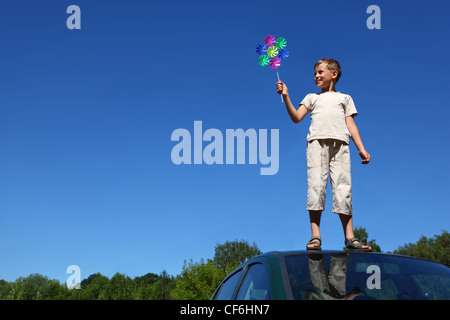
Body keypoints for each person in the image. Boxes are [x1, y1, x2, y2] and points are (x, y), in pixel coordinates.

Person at [276, 58, 372, 252]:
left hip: (341, 146)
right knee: (316, 188)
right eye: (315, 73)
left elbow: (350, 124)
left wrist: (361, 147)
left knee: (343, 189)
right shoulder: (312, 97)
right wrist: (286, 96)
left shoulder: (345, 98)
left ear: (333, 74)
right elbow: (296, 117)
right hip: (316, 145)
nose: (316, 76)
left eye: (320, 72)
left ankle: (350, 237)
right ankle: (315, 235)